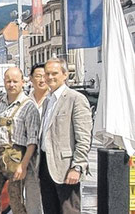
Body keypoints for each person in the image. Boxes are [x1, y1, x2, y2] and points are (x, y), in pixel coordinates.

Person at [39, 58, 92, 214]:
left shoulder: (75, 99)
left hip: (66, 167)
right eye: (47, 74)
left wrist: (77, 166)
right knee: (50, 209)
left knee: (69, 210)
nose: (50, 77)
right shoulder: (48, 101)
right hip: (45, 166)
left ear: (65, 75)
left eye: (54, 73)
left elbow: (83, 137)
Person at [0, 67, 40, 214]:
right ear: (4, 82)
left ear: (23, 82)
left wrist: (23, 165)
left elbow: (32, 141)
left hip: (17, 157)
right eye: (8, 81)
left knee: (16, 199)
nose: (12, 84)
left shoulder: (29, 106)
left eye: (15, 81)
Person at [26, 63, 48, 214]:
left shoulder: (54, 100)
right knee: (32, 195)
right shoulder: (24, 102)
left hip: (49, 156)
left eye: (44, 76)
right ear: (30, 79)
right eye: (38, 76)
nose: (42, 80)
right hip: (29, 156)